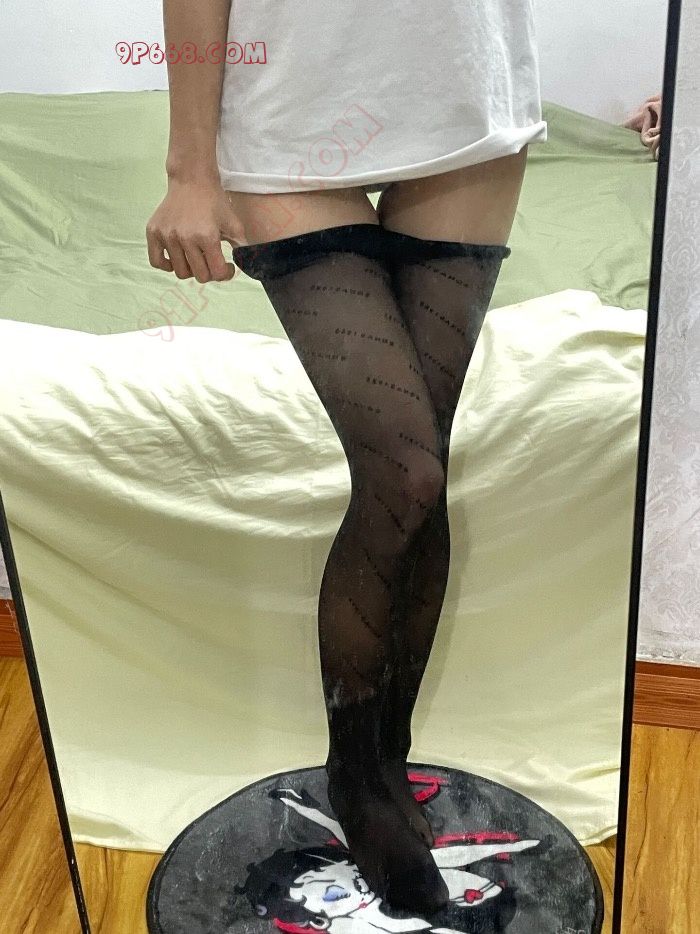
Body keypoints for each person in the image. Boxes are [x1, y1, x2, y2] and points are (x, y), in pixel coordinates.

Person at [146, 0, 547, 916]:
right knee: (404, 471)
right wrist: (190, 167)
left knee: (422, 469)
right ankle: (356, 773)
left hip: (466, 92)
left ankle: (387, 755)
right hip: (291, 110)